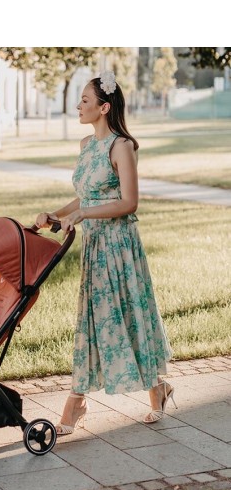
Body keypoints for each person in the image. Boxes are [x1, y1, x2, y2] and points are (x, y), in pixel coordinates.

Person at [36, 71, 174, 435]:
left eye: (85, 100)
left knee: (126, 315)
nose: (78, 106)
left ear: (104, 107)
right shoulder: (86, 144)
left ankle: (96, 399)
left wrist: (84, 214)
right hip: (95, 247)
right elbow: (86, 195)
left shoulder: (121, 146)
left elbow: (129, 202)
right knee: (95, 321)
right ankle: (89, 399)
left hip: (119, 246)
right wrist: (57, 215)